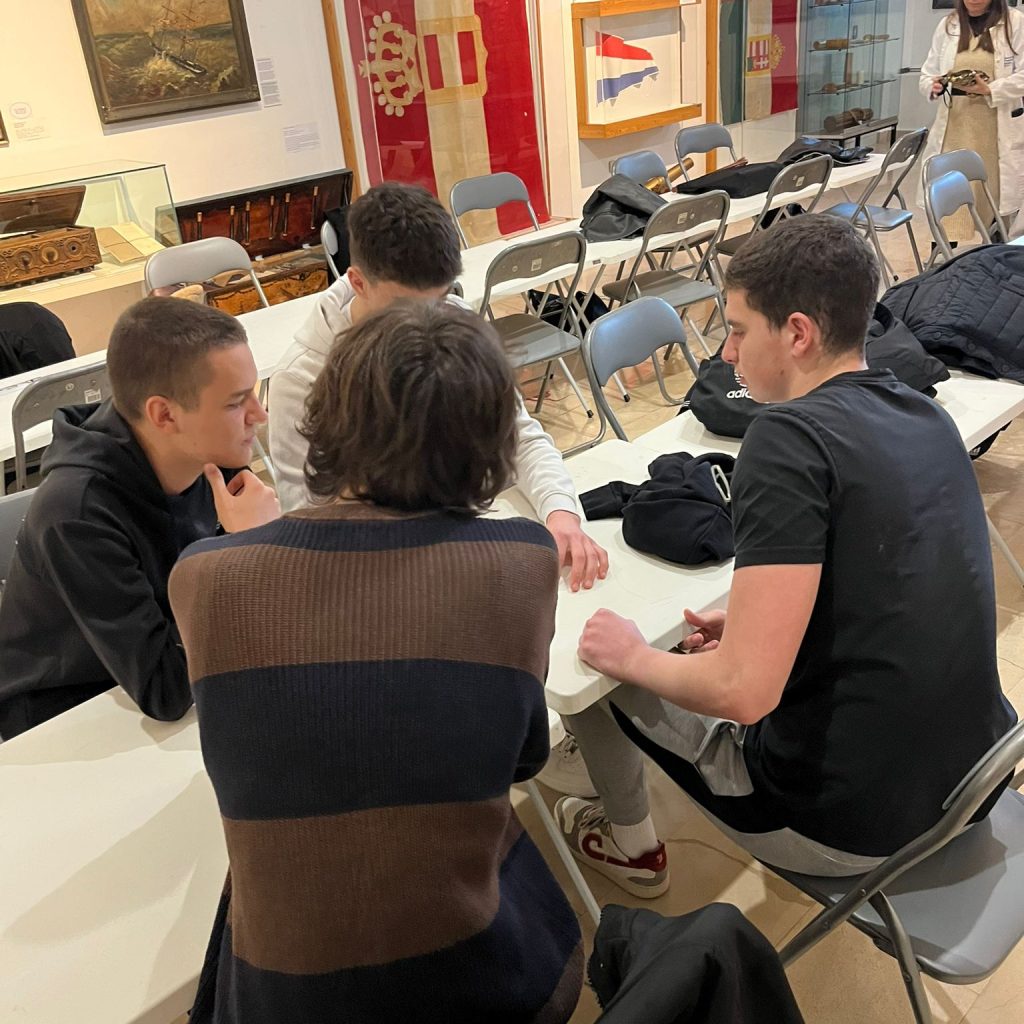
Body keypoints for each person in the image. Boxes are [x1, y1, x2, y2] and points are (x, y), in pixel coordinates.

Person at [553, 216, 1016, 896]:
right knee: (673, 648)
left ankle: (631, 848)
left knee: (595, 656)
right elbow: (885, 587)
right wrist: (761, 629)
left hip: (852, 827)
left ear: (797, 334)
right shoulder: (924, 413)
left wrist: (632, 658)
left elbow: (744, 694)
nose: (728, 353)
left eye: (739, 330)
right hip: (976, 777)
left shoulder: (785, 439)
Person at [170, 302, 583, 1024]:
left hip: (280, 1000)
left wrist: (252, 545)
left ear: (325, 423)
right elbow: (521, 760)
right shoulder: (522, 560)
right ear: (491, 442)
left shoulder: (204, 577)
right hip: (481, 987)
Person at [269, 181, 608, 595]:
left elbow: (519, 433)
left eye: (442, 298)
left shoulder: (452, 319)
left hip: (468, 546)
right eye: (406, 307)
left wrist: (560, 512)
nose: (429, 321)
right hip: (380, 579)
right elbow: (308, 521)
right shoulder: (300, 378)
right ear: (357, 283)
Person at [0, 298, 280, 740]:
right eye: (234, 403)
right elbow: (166, 690)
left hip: (159, 670)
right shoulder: (76, 513)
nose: (259, 416)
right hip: (63, 715)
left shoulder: (212, 454)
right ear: (164, 414)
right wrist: (247, 551)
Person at [921, 0, 1024, 240]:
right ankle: (946, 251)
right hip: (956, 124)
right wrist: (932, 86)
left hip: (993, 125)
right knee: (950, 192)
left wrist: (990, 89)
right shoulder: (948, 25)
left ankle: (996, 246)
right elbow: (927, 73)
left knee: (992, 193)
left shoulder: (1015, 23)